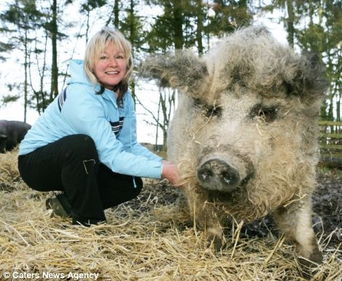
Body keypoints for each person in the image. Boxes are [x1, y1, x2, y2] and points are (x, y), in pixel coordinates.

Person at [18, 26, 180, 226]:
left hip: (79, 162)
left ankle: (65, 206)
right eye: (103, 57)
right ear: (91, 63)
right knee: (82, 145)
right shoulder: (82, 97)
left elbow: (128, 146)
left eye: (119, 56)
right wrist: (163, 171)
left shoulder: (124, 97)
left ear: (127, 61)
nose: (113, 64)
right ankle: (89, 223)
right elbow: (112, 156)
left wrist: (166, 165)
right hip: (36, 163)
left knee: (132, 182)